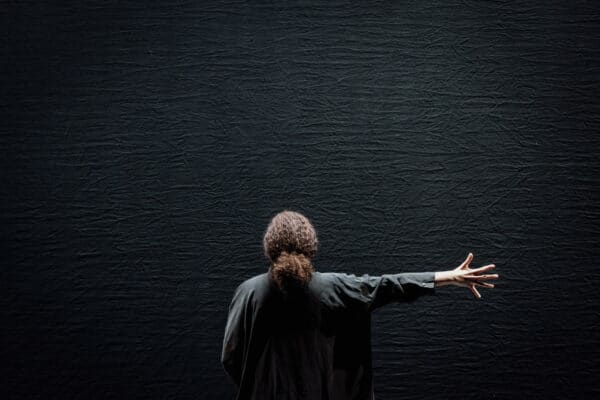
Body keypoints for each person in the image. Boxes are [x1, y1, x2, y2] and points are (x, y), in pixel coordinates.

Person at [221, 209, 499, 400]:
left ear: (270, 246)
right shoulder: (336, 287)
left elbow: (230, 357)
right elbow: (390, 285)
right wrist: (449, 276)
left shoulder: (249, 292)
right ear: (310, 244)